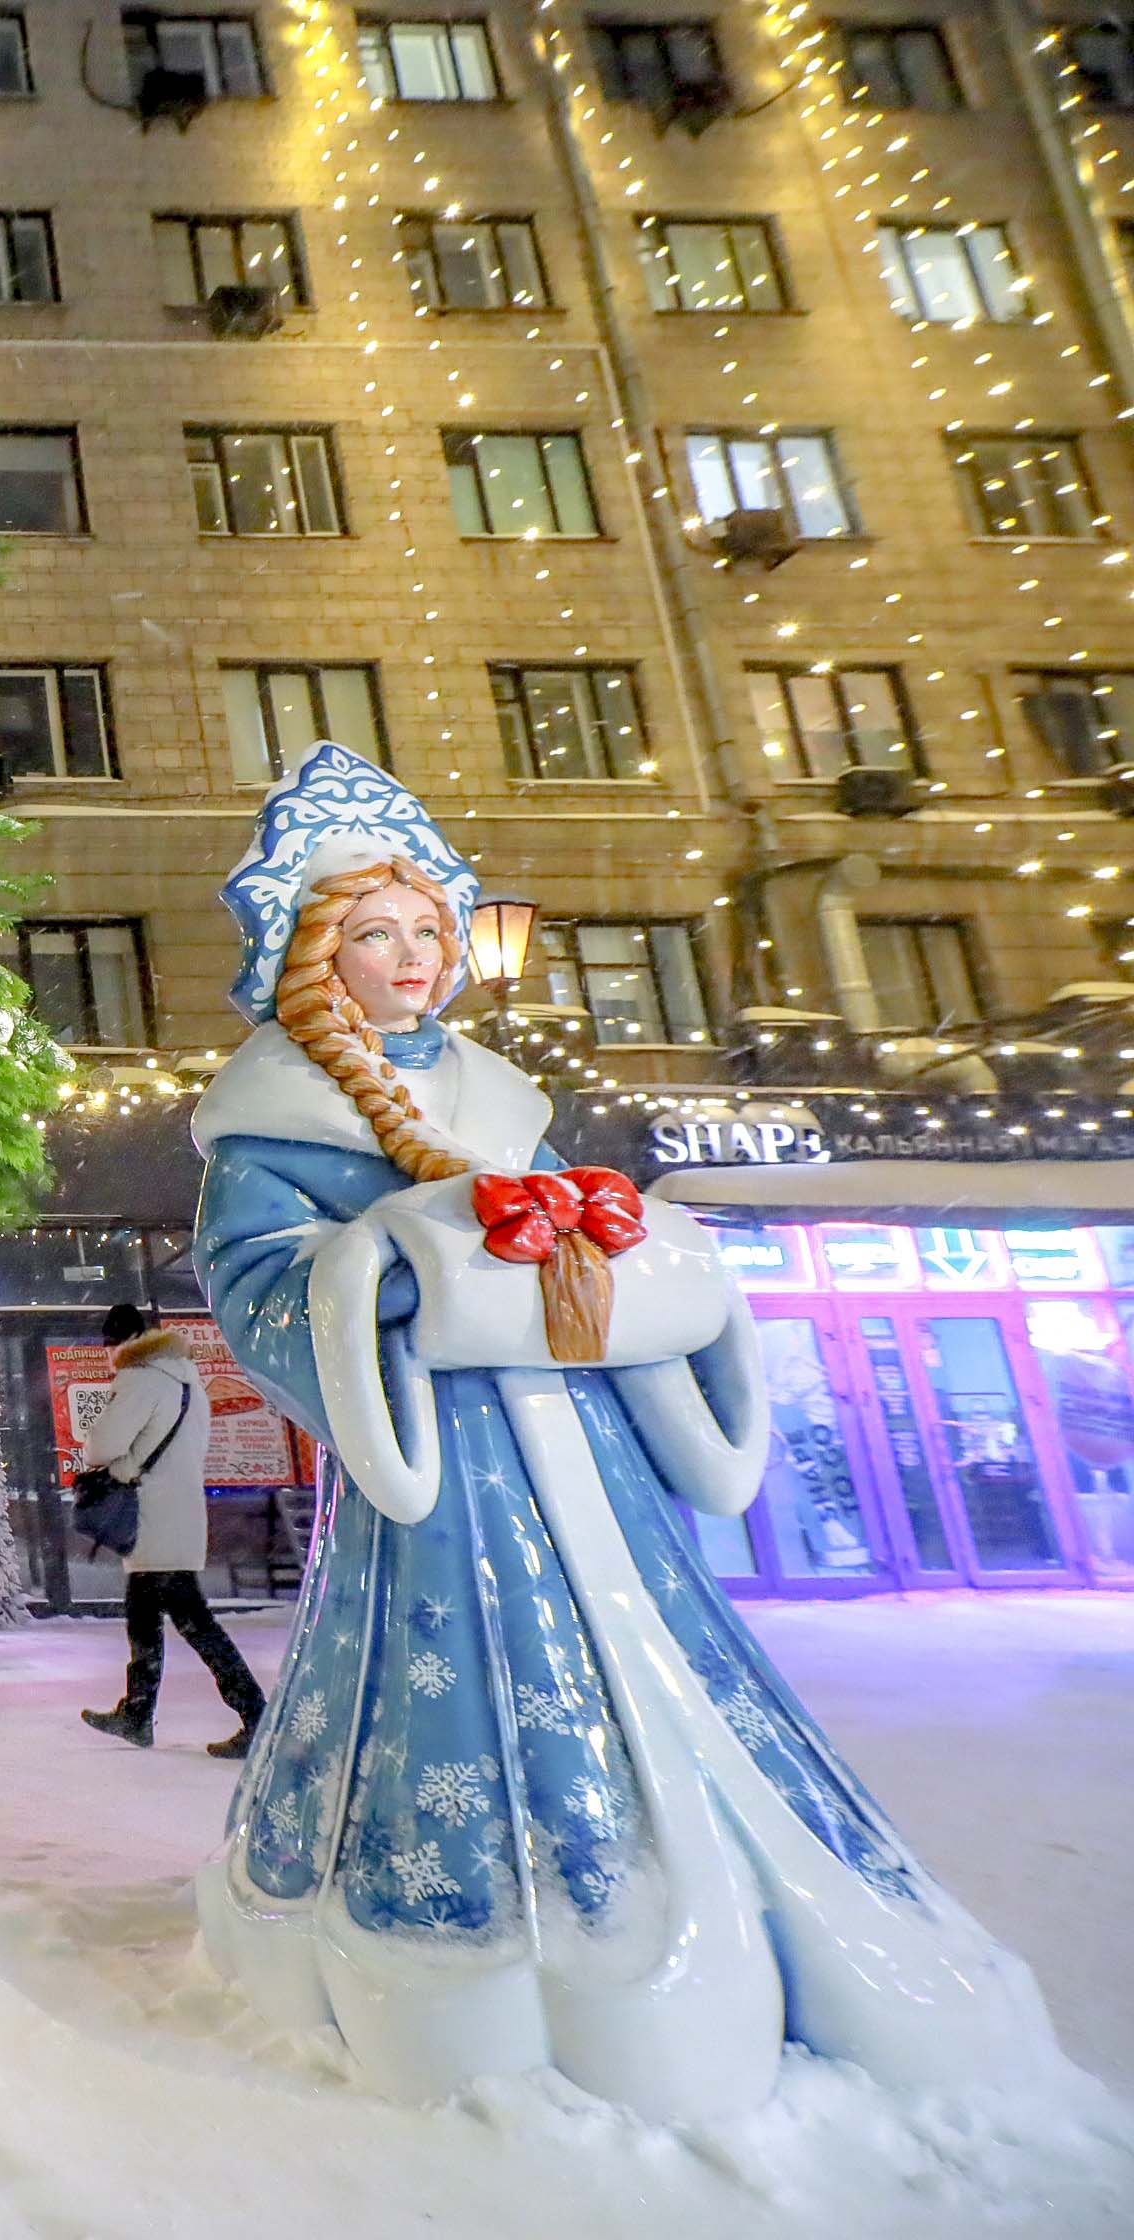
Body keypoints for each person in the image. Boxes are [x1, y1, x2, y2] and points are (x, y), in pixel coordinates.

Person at [186, 741, 1054, 2121]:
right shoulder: (269, 1122)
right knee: (464, 1648)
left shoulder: (498, 1097)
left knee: (657, 1635)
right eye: (376, 935)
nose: (413, 958)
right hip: (449, 1462)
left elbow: (573, 1237)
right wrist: (396, 1266)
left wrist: (612, 1248)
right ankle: (482, 1923)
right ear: (315, 955)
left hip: (585, 1439)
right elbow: (255, 1283)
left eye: (427, 930)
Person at [78, 1301, 265, 1756]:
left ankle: (256, 1714)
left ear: (119, 1343)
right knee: (143, 1617)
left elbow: (100, 1447)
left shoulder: (140, 1379)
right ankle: (137, 1713)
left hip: (154, 1519)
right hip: (177, 1515)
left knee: (194, 1622)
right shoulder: (188, 1382)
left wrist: (118, 1464)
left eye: (107, 1345)